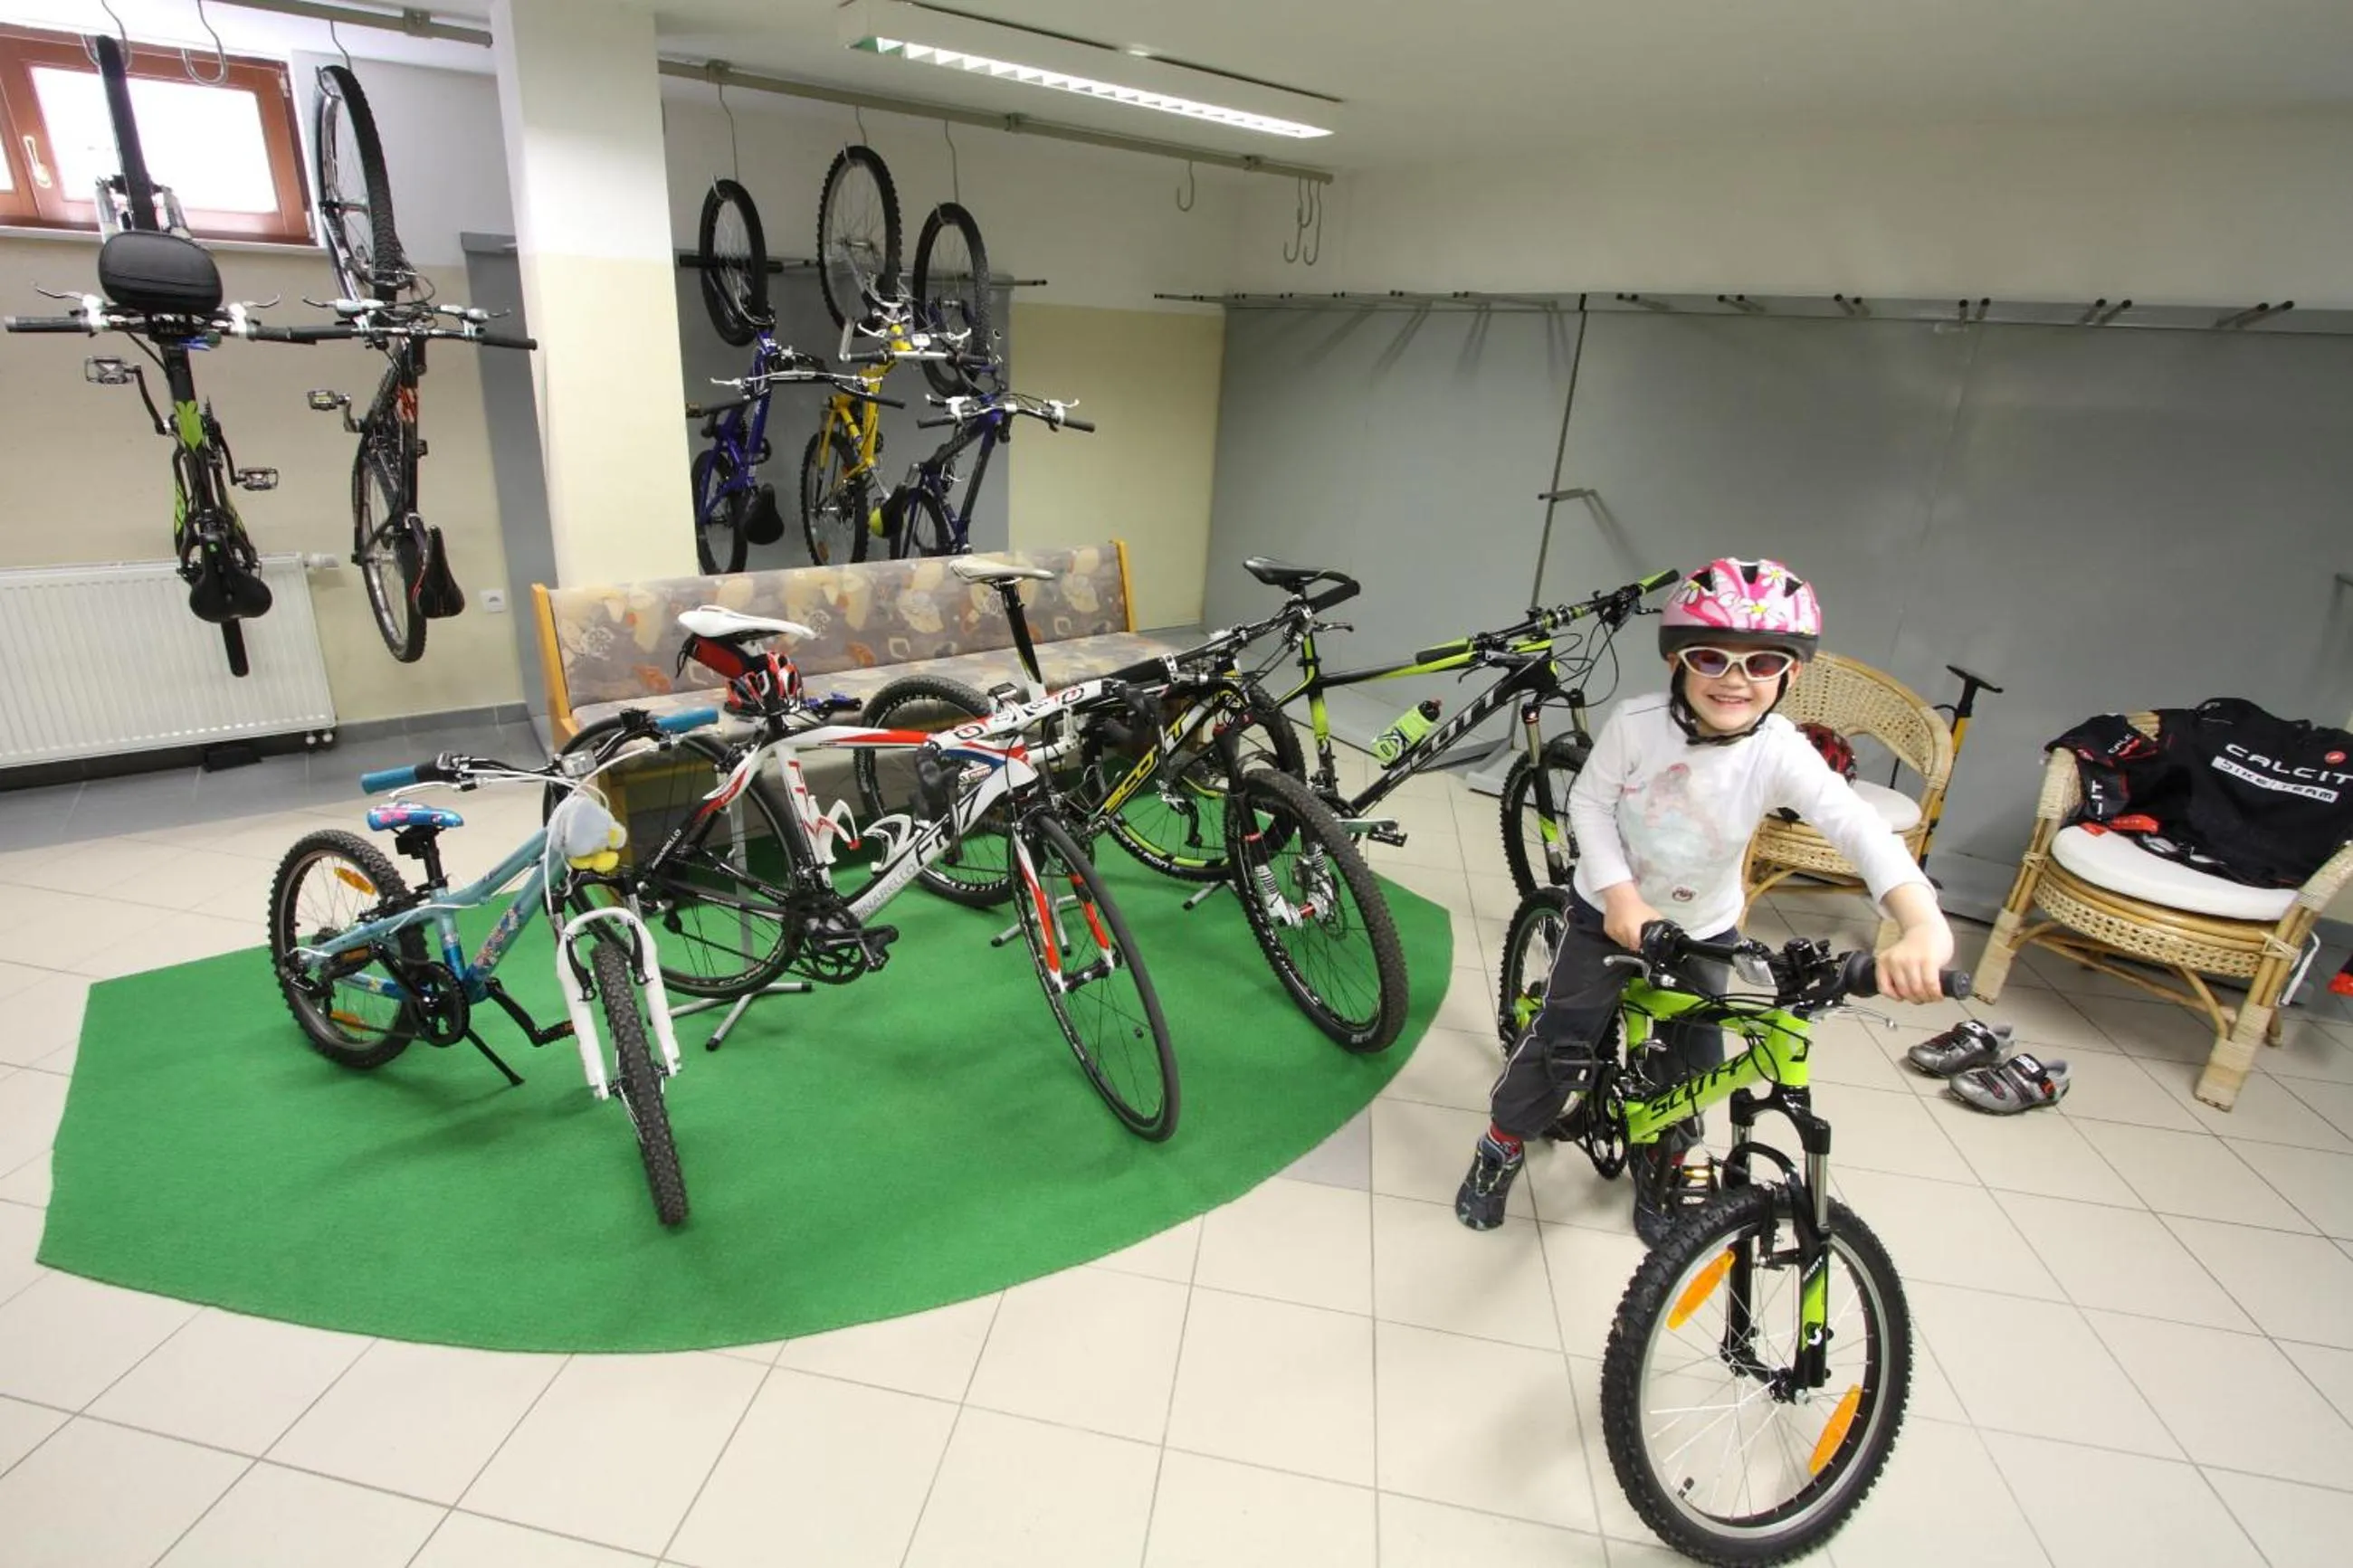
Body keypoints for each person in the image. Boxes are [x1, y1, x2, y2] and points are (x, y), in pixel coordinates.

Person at [1455, 556, 1956, 1242]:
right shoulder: (1636, 725)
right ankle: (1502, 1142)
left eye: (1761, 663)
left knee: (1693, 1062)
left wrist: (1920, 919)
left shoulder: (1779, 750)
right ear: (1677, 663)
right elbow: (1590, 806)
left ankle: (1665, 1159)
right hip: (1609, 912)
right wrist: (1622, 898)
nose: (1734, 679)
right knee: (1562, 1043)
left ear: (1791, 674)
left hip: (1704, 925)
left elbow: (1856, 825)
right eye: (1711, 657)